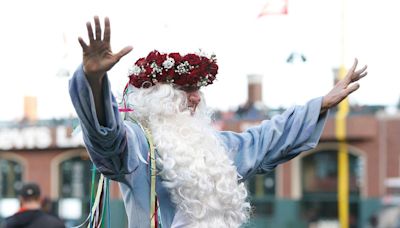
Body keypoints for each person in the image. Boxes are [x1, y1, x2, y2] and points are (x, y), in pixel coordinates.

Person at [69, 16, 367, 228]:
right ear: (158, 97)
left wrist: (320, 105)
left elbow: (266, 140)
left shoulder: (216, 146)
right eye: (186, 90)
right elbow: (106, 139)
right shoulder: (138, 145)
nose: (197, 98)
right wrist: (94, 81)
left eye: (198, 90)